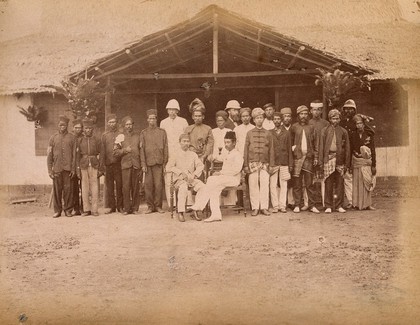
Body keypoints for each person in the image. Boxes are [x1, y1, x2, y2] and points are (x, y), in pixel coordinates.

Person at [191, 131, 244, 222]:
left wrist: (220, 173)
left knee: (211, 179)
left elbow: (236, 170)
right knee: (214, 191)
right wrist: (212, 156)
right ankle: (216, 215)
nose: (226, 145)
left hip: (234, 179)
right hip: (225, 178)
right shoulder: (227, 153)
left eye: (228, 142)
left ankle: (198, 206)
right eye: (225, 142)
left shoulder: (237, 154)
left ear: (234, 143)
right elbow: (220, 158)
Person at [340, 99, 374, 209]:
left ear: (355, 110)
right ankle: (351, 201)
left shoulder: (358, 120)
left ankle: (362, 202)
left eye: (351, 109)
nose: (348, 111)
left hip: (358, 151)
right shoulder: (342, 122)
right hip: (346, 151)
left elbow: (371, 133)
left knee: (361, 178)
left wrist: (363, 120)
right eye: (346, 108)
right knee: (348, 177)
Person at [166, 133, 204, 222]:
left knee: (202, 186)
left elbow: (200, 166)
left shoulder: (193, 154)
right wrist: (180, 173)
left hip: (191, 179)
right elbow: (168, 167)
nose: (186, 143)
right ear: (179, 142)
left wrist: (194, 174)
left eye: (187, 141)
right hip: (179, 180)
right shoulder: (175, 154)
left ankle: (196, 209)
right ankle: (181, 212)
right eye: (184, 141)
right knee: (183, 187)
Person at [244, 107, 275, 216]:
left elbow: (271, 150)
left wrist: (271, 165)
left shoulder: (268, 133)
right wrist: (246, 165)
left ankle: (264, 207)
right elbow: (246, 150)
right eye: (257, 118)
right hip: (252, 163)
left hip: (264, 163)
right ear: (253, 119)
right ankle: (255, 207)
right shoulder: (249, 133)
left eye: (261, 117)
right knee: (253, 185)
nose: (259, 120)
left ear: (263, 118)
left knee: (265, 184)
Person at [319, 109, 350, 213]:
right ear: (330, 119)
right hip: (328, 159)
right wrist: (321, 161)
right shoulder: (324, 131)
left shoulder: (343, 131)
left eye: (337, 118)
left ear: (340, 119)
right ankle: (328, 205)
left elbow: (347, 148)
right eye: (333, 118)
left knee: (340, 183)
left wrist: (347, 163)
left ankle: (339, 205)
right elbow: (321, 147)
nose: (335, 120)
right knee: (328, 182)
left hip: (340, 160)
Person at [290, 105, 320, 213]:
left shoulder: (311, 127)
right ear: (298, 115)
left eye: (305, 114)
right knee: (297, 183)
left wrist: (315, 156)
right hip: (297, 158)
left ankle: (312, 205)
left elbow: (315, 143)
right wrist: (294, 149)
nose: (303, 116)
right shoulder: (294, 127)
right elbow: (291, 142)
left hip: (308, 158)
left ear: (308, 115)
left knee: (309, 184)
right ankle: (297, 204)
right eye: (301, 114)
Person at [160, 99, 188, 210]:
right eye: (170, 109)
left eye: (174, 110)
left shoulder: (183, 121)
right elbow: (162, 139)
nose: (172, 112)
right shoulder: (163, 122)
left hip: (181, 152)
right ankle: (173, 204)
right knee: (169, 177)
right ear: (167, 110)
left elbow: (186, 138)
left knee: (183, 175)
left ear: (177, 110)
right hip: (169, 152)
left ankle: (185, 203)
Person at [47, 115, 76, 218]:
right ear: (58, 126)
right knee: (57, 191)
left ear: (67, 125)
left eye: (64, 125)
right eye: (60, 125)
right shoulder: (53, 138)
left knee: (68, 191)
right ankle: (57, 211)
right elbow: (49, 155)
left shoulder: (72, 138)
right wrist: (50, 170)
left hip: (68, 169)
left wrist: (73, 169)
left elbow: (74, 155)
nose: (62, 127)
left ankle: (68, 210)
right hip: (57, 169)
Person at [140, 109, 168, 214]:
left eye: (154, 118)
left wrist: (164, 162)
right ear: (147, 120)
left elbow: (165, 147)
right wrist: (143, 164)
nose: (152, 120)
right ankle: (150, 207)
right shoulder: (144, 133)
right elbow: (141, 149)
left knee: (158, 185)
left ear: (156, 119)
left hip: (159, 163)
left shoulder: (162, 132)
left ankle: (158, 206)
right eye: (150, 118)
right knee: (148, 185)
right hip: (148, 163)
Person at [113, 116, 141, 215]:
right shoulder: (120, 137)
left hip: (136, 165)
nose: (129, 126)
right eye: (127, 124)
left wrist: (141, 165)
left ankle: (135, 208)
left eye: (130, 124)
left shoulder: (138, 136)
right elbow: (115, 152)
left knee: (135, 187)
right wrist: (125, 150)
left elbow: (141, 151)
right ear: (124, 126)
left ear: (133, 125)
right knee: (126, 187)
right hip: (125, 165)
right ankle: (126, 208)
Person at [76, 118, 103, 216]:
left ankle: (94, 209)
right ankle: (86, 209)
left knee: (95, 187)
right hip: (83, 165)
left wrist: (101, 168)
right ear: (83, 129)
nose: (88, 130)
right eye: (86, 128)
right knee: (84, 187)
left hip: (94, 165)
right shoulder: (80, 140)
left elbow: (102, 154)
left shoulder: (97, 140)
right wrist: (78, 170)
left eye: (90, 128)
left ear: (92, 129)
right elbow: (77, 156)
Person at [351, 114, 376, 210]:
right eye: (357, 124)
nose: (359, 125)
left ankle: (367, 204)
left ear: (364, 124)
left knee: (367, 182)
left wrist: (374, 165)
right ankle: (357, 204)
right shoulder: (353, 134)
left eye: (361, 123)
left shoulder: (369, 134)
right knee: (357, 183)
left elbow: (373, 150)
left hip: (366, 162)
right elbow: (351, 149)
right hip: (357, 161)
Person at [269, 111, 293, 213]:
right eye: (275, 119)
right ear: (273, 120)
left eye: (278, 119)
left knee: (284, 184)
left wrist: (290, 164)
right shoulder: (269, 132)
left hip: (284, 161)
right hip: (274, 162)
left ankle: (282, 205)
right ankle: (275, 206)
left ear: (281, 120)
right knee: (273, 184)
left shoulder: (286, 133)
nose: (277, 121)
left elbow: (289, 149)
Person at [101, 114, 123, 214]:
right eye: (110, 122)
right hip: (108, 164)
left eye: (113, 122)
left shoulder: (121, 134)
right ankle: (112, 207)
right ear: (107, 123)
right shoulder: (105, 136)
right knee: (109, 186)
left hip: (118, 164)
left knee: (119, 185)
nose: (112, 124)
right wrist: (103, 166)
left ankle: (120, 206)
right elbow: (103, 152)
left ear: (116, 123)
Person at [308, 99, 329, 207]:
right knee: (311, 179)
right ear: (311, 111)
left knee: (323, 178)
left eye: (318, 110)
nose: (316, 112)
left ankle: (324, 201)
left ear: (321, 111)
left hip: (322, 154)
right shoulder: (308, 123)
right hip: (310, 155)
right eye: (314, 110)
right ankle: (311, 201)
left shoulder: (325, 123)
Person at [71, 119, 83, 215]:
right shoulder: (70, 138)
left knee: (83, 188)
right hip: (73, 166)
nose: (78, 129)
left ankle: (83, 207)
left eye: (80, 128)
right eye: (76, 128)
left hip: (83, 166)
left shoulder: (83, 138)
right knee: (74, 188)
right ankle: (76, 208)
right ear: (73, 128)